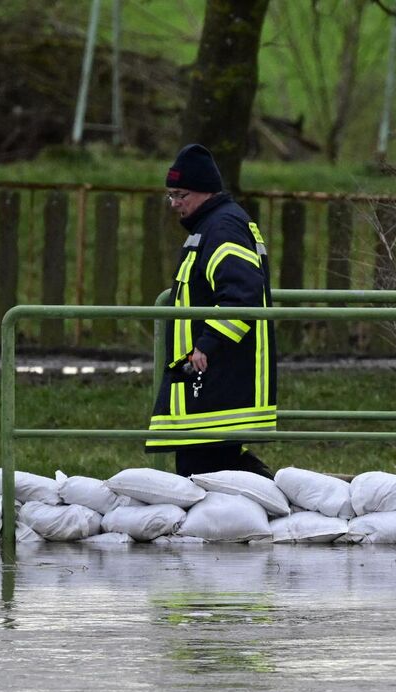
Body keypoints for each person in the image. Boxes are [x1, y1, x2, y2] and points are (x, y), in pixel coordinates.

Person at [146, 143, 278, 477]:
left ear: (204, 191)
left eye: (180, 194)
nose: (174, 204)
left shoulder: (222, 228)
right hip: (214, 379)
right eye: (170, 195)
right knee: (219, 466)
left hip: (217, 377)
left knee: (202, 474)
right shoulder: (213, 225)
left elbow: (241, 294)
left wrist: (207, 344)